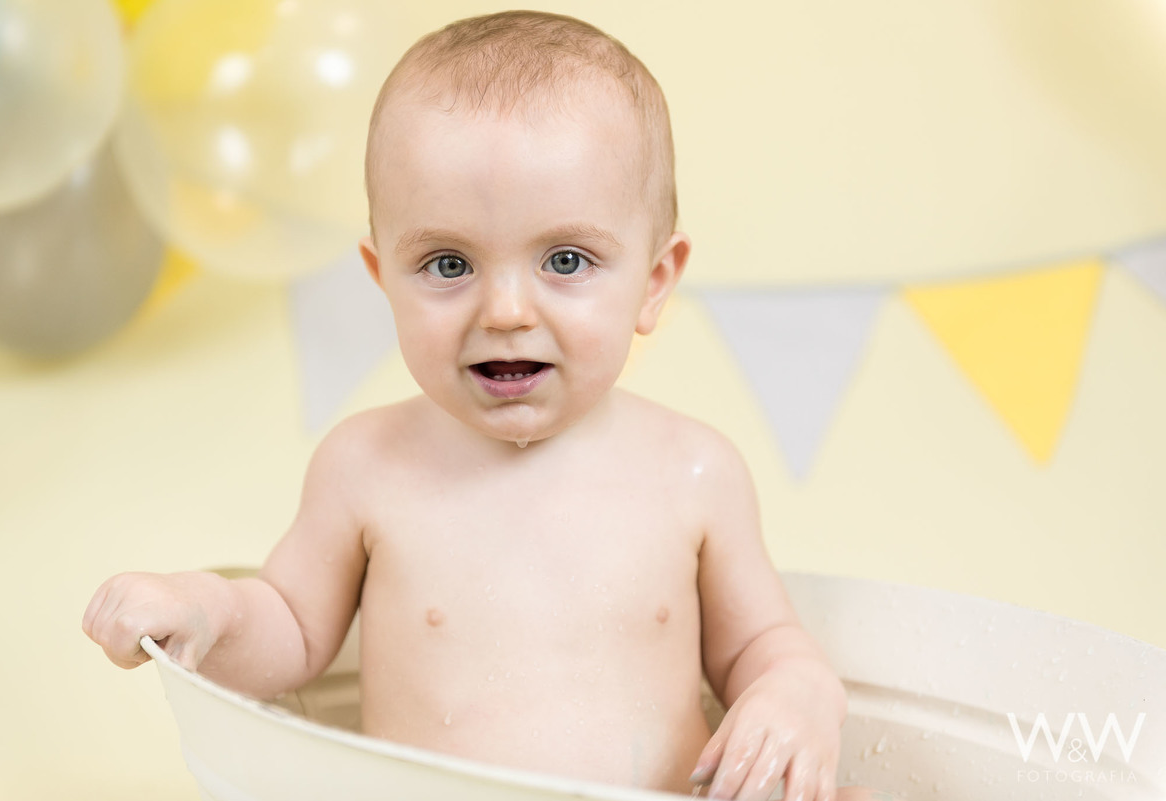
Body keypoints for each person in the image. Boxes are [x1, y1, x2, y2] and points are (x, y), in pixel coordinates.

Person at [83, 11, 886, 801]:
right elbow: (290, 629)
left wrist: (798, 694)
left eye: (565, 259)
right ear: (381, 275)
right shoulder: (366, 466)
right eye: (446, 262)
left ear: (653, 282)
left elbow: (762, 643)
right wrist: (204, 605)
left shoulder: (695, 470)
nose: (504, 309)